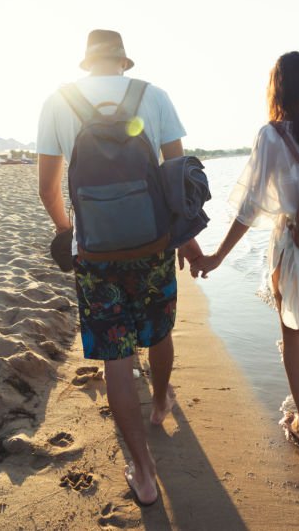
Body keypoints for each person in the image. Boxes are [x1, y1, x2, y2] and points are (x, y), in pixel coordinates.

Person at [37, 29, 203, 506]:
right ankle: (160, 403)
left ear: (87, 62)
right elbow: (180, 179)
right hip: (151, 245)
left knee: (117, 355)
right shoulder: (153, 96)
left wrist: (72, 233)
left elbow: (48, 188)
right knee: (159, 330)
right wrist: (184, 239)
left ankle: (144, 474)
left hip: (96, 255)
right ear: (123, 62)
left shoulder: (58, 102)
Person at [193, 51, 299, 487]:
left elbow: (250, 208)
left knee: (292, 336)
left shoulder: (272, 136)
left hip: (294, 251)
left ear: (279, 90)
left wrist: (216, 256)